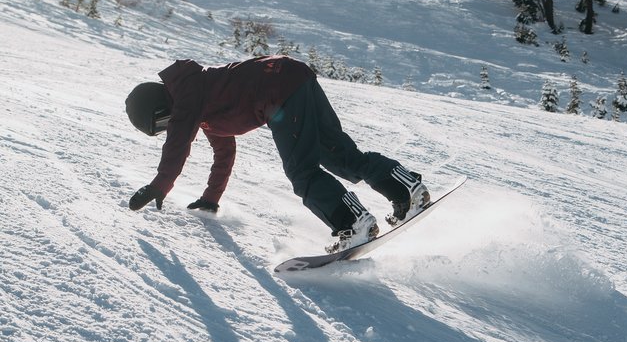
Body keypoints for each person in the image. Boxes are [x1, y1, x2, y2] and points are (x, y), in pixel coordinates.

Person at [125, 55, 431, 253]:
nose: (170, 127)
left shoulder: (187, 94)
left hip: (280, 90)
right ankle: (407, 190)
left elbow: (178, 143)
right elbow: (224, 152)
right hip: (292, 77)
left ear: (161, 105)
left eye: (163, 122)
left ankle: (354, 223)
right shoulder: (201, 104)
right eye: (162, 129)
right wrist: (210, 198)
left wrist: (159, 185)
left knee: (302, 171)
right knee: (340, 155)